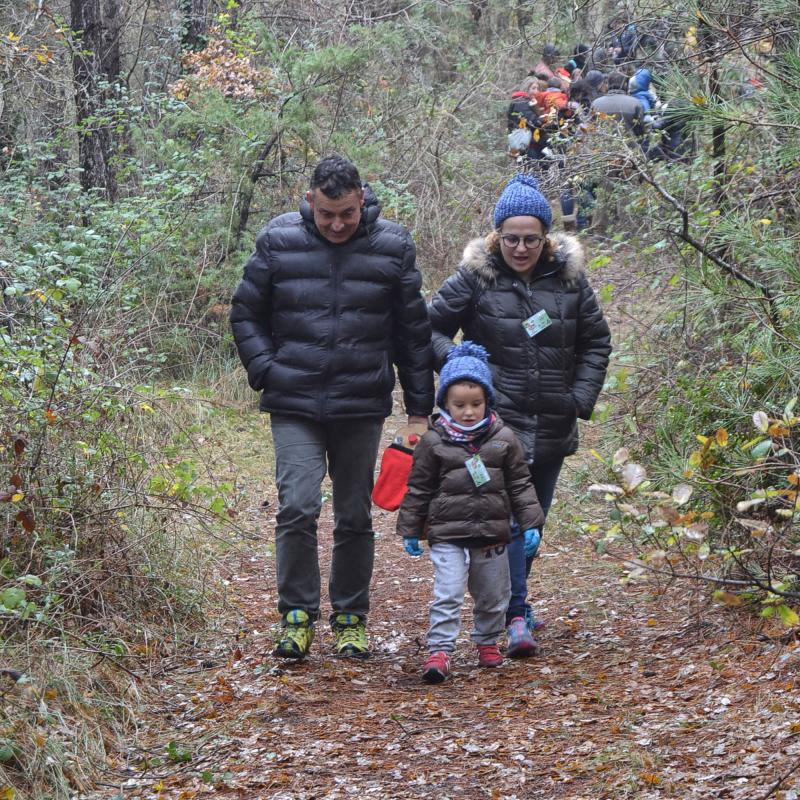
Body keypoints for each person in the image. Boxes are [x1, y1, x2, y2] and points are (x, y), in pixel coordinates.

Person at [230, 155, 434, 660]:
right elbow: (245, 313)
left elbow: (412, 333)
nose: (338, 224)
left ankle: (350, 616)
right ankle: (296, 614)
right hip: (293, 400)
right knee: (297, 505)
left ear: (361, 199)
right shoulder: (278, 240)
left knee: (353, 514)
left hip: (361, 402)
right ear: (310, 201)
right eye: (327, 214)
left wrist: (418, 411)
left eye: (346, 213)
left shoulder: (392, 246)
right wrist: (267, 370)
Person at [428, 174, 611, 654]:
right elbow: (427, 330)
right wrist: (463, 365)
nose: (522, 248)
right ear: (497, 235)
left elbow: (596, 340)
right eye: (512, 237)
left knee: (532, 522)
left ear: (546, 238)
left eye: (532, 238)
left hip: (552, 421)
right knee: (502, 519)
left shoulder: (569, 282)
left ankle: (510, 604)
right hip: (491, 428)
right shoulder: (476, 276)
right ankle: (514, 614)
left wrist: (578, 398)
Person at [397, 342, 545, 683]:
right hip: (447, 532)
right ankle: (440, 650)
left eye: (476, 404)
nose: (468, 412)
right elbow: (419, 488)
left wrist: (530, 522)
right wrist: (410, 528)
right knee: (447, 591)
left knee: (493, 592)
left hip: (492, 532)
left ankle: (487, 641)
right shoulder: (434, 442)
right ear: (445, 403)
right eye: (459, 405)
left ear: (487, 401)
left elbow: (520, 484)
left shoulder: (504, 438)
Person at [591, 70, 646, 137]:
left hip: (601, 146)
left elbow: (591, 129)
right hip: (629, 146)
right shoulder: (636, 104)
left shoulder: (595, 104)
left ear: (608, 85)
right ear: (626, 85)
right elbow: (642, 133)